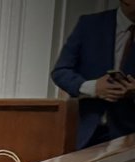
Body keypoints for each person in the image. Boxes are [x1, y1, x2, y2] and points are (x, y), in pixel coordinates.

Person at [51, 0, 135, 148]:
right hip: (84, 132)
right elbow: (60, 71)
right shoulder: (89, 25)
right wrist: (93, 87)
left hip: (128, 137)